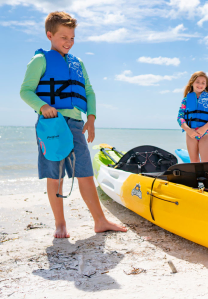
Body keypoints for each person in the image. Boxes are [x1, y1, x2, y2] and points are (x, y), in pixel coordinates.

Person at [19, 11, 127, 238]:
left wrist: (91, 118)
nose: (68, 42)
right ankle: (60, 224)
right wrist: (42, 107)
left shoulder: (78, 63)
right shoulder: (40, 60)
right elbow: (25, 91)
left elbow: (88, 91)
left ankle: (100, 221)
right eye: (63, 37)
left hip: (76, 124)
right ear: (49, 35)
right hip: (52, 125)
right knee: (54, 176)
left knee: (85, 174)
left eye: (72, 38)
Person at [177, 71, 208, 163]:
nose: (200, 84)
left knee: (206, 163)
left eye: (203, 83)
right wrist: (188, 130)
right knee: (194, 162)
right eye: (198, 82)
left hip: (205, 133)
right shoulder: (186, 99)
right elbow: (180, 117)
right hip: (190, 134)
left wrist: (204, 128)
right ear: (192, 83)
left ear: (206, 85)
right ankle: (196, 177)